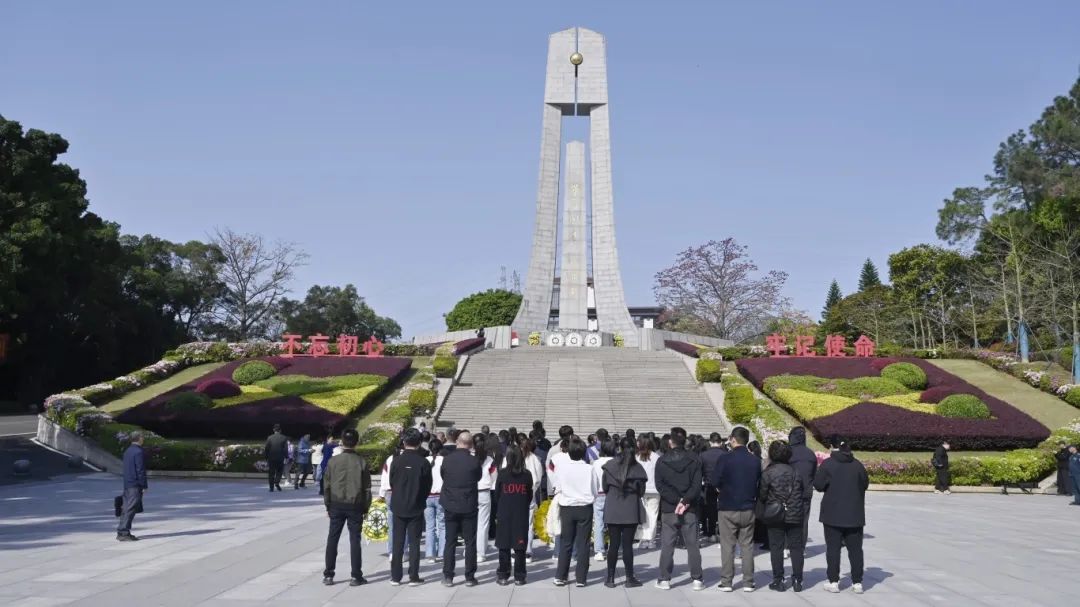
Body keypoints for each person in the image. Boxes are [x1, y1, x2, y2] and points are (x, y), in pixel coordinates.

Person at [814, 436, 869, 594]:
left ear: (832, 447)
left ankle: (833, 581)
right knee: (856, 550)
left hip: (832, 514)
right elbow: (865, 484)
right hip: (854, 514)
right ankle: (857, 582)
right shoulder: (857, 465)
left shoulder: (828, 464)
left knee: (833, 549)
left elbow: (818, 485)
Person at [711, 427, 761, 593]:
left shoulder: (725, 458)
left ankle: (727, 582)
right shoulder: (755, 460)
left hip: (727, 506)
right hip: (748, 507)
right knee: (747, 546)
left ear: (733, 439)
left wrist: (720, 488)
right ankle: (748, 582)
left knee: (727, 546)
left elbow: (714, 480)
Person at [653, 432, 704, 591]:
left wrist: (676, 500)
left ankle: (664, 578)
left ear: (670, 442)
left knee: (667, 544)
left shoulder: (662, 460)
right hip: (689, 507)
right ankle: (697, 578)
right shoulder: (694, 459)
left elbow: (660, 485)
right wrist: (685, 500)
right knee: (692, 544)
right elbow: (697, 485)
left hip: (669, 508)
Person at [322, 428, 372, 587]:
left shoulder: (333, 461)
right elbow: (367, 489)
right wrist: (366, 508)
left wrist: (328, 505)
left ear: (342, 442)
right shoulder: (361, 462)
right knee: (354, 540)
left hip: (336, 503)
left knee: (333, 538)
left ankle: (328, 574)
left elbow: (326, 485)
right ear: (357, 442)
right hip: (355, 505)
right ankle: (356, 576)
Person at [759, 440, 806, 592]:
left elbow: (762, 495)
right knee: (796, 547)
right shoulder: (796, 472)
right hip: (795, 512)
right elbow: (802, 491)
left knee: (776, 547)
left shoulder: (768, 472)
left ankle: (778, 580)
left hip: (775, 514)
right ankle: (798, 580)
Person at [388, 428, 433, 586]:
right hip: (416, 505)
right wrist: (419, 498)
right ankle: (413, 576)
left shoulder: (396, 461)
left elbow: (392, 482)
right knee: (414, 542)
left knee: (398, 542)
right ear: (419, 442)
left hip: (398, 505)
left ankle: (395, 576)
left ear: (404, 441)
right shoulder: (423, 462)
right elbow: (427, 486)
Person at [601, 436, 647, 588]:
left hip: (613, 506)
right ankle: (629, 578)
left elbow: (605, 487)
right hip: (630, 508)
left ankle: (610, 578)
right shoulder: (637, 468)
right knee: (627, 545)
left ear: (619, 447)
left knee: (613, 544)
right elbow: (641, 492)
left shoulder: (610, 465)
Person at [440, 430, 482, 587]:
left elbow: (444, 475)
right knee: (470, 542)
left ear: (458, 442)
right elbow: (477, 477)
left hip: (451, 503)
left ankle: (448, 576)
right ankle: (469, 577)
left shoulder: (447, 459)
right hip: (468, 503)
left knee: (450, 541)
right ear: (470, 445)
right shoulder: (474, 461)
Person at [554, 437, 597, 587]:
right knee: (583, 543)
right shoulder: (589, 469)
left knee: (566, 542)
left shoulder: (562, 468)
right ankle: (581, 578)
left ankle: (561, 576)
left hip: (567, 507)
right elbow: (595, 489)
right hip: (585, 507)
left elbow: (557, 487)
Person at [495, 445, 534, 585]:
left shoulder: (502, 474)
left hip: (505, 512)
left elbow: (497, 494)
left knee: (504, 545)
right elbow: (529, 495)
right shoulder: (527, 475)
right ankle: (519, 576)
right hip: (520, 513)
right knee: (519, 547)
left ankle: (503, 575)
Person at [787, 427, 817, 553]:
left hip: (790, 493)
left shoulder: (788, 452)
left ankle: (787, 547)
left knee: (788, 519)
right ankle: (801, 548)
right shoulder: (811, 454)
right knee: (804, 521)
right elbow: (814, 474)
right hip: (806, 492)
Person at [117, 431, 147, 541]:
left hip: (127, 483)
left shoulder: (128, 451)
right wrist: (143, 485)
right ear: (139, 438)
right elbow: (140, 470)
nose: (143, 439)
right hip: (135, 484)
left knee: (126, 507)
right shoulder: (139, 452)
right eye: (142, 437)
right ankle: (124, 532)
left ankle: (121, 531)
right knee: (130, 508)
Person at [698, 432, 727, 543]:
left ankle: (711, 533)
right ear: (720, 442)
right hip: (723, 485)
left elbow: (700, 472)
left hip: (708, 485)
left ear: (710, 442)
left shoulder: (703, 455)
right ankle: (721, 532)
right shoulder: (725, 454)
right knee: (723, 510)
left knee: (710, 510)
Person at [591, 439, 616, 560]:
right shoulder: (616, 462)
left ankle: (599, 551)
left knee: (598, 523)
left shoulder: (596, 463)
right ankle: (614, 547)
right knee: (614, 523)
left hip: (599, 494)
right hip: (613, 494)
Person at [475, 434, 498, 562]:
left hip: (471, 492)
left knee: (470, 523)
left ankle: (470, 548)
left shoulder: (470, 459)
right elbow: (494, 477)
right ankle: (481, 552)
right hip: (484, 492)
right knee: (483, 524)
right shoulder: (490, 460)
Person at [636, 435, 660, 549]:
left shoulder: (637, 457)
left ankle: (644, 539)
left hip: (641, 490)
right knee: (653, 514)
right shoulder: (656, 457)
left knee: (643, 515)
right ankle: (651, 540)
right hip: (654, 489)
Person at [424, 439, 446, 564]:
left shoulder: (425, 461)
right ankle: (442, 552)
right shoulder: (444, 460)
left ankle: (430, 554)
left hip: (428, 496)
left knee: (429, 526)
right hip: (441, 495)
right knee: (442, 525)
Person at [264, 424, 288, 492]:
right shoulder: (284, 438)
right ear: (280, 430)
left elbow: (267, 448)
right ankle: (277, 482)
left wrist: (266, 457)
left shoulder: (270, 437)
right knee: (279, 471)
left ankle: (271, 488)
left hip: (271, 458)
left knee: (271, 473)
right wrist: (286, 457)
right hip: (280, 458)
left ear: (273, 430)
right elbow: (285, 449)